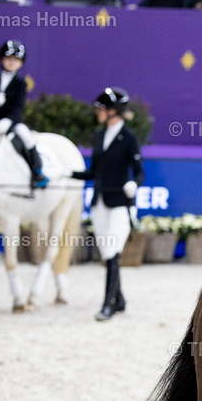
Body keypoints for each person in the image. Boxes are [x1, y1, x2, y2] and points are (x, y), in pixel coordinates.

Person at [71, 88, 144, 321]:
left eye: (101, 109)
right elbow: (93, 171)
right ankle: (120, 299)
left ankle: (107, 305)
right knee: (107, 252)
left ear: (113, 111)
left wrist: (133, 183)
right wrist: (69, 175)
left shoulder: (128, 137)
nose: (98, 112)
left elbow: (140, 172)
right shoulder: (99, 136)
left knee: (113, 251)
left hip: (120, 203)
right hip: (100, 201)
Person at [0, 40, 48, 190]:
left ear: (21, 63)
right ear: (1, 59)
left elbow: (19, 107)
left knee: (27, 138)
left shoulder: (20, 84)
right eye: (8, 58)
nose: (12, 62)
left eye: (16, 59)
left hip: (14, 120)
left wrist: (8, 121)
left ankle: (37, 171)